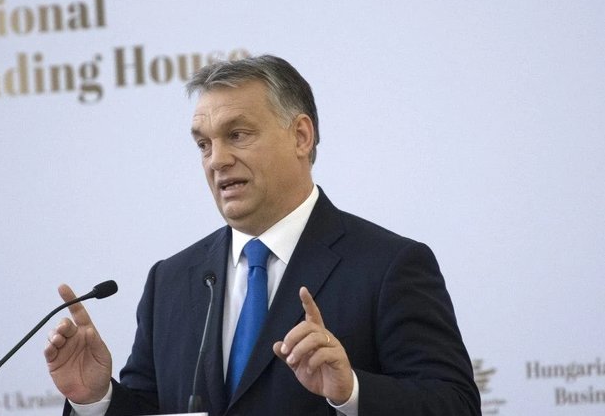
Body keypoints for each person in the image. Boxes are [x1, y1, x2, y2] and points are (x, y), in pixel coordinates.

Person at [44, 55, 481, 415]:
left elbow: (455, 404)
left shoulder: (388, 266)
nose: (217, 160)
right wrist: (96, 400)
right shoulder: (171, 281)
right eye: (203, 144)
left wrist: (352, 392)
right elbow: (152, 408)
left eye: (237, 135)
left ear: (301, 136)